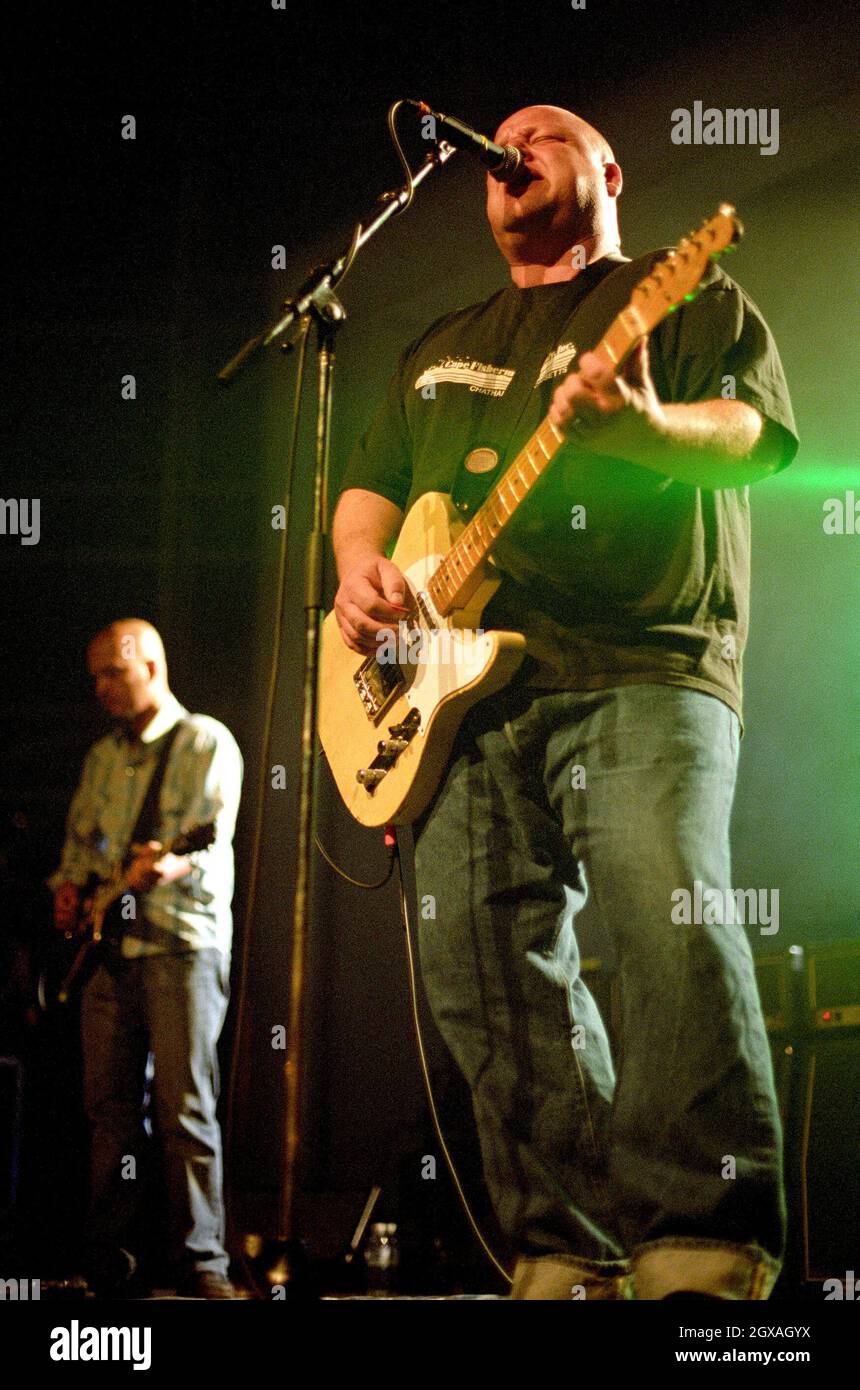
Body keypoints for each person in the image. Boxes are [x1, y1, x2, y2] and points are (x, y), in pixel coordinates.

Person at [331, 106, 798, 1300]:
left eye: (544, 133)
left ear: (607, 170)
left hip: (639, 656)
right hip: (458, 702)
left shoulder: (673, 294)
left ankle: (700, 1244)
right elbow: (370, 492)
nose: (511, 146)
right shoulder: (442, 341)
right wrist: (356, 572)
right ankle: (565, 1246)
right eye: (499, 139)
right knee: (481, 974)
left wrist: (638, 424)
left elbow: (752, 436)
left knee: (666, 926)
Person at [49, 619, 243, 1298]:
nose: (101, 687)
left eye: (114, 673)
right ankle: (110, 1258)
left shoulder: (205, 741)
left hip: (180, 945)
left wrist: (163, 867)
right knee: (108, 1109)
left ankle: (202, 1260)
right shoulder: (102, 758)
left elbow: (205, 846)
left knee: (186, 1105)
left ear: (153, 667)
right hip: (109, 953)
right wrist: (71, 890)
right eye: (95, 675)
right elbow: (81, 846)